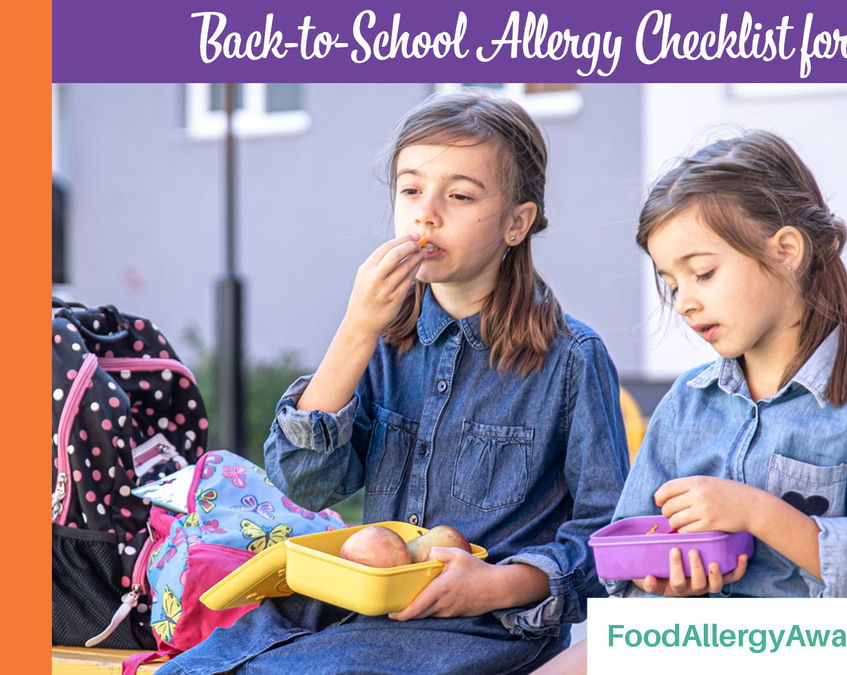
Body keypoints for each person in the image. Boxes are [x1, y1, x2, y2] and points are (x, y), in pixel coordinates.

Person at [159, 90, 629, 674]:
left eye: (459, 195)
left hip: (479, 633)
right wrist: (355, 330)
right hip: (346, 611)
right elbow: (306, 484)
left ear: (516, 223)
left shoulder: (571, 360)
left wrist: (499, 585)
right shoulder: (383, 339)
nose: (426, 213)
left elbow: (611, 542)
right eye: (410, 189)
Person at [607, 129, 847, 599]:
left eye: (702, 273)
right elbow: (628, 549)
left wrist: (756, 512)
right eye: (672, 283)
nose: (684, 302)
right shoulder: (686, 402)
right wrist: (657, 579)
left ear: (785, 251)